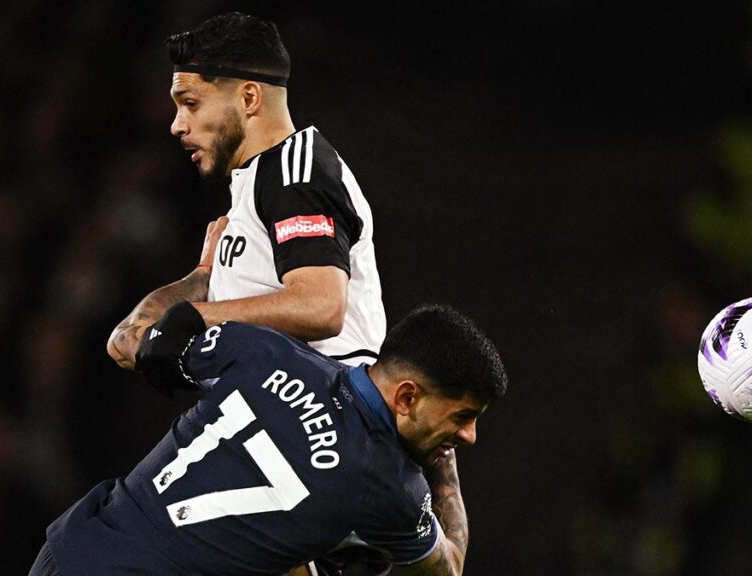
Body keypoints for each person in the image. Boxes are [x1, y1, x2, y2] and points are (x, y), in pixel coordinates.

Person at [30, 304, 507, 576]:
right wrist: (442, 458)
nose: (469, 434)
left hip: (73, 551)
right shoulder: (390, 488)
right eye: (463, 416)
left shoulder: (265, 349)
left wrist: (198, 280)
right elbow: (449, 567)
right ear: (407, 396)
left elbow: (131, 343)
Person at [107, 12, 386, 373]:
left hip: (321, 407)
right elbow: (131, 342)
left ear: (249, 97)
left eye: (191, 103)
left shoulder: (295, 173)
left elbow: (321, 306)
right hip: (274, 402)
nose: (177, 125)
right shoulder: (259, 181)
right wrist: (204, 276)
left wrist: (195, 317)